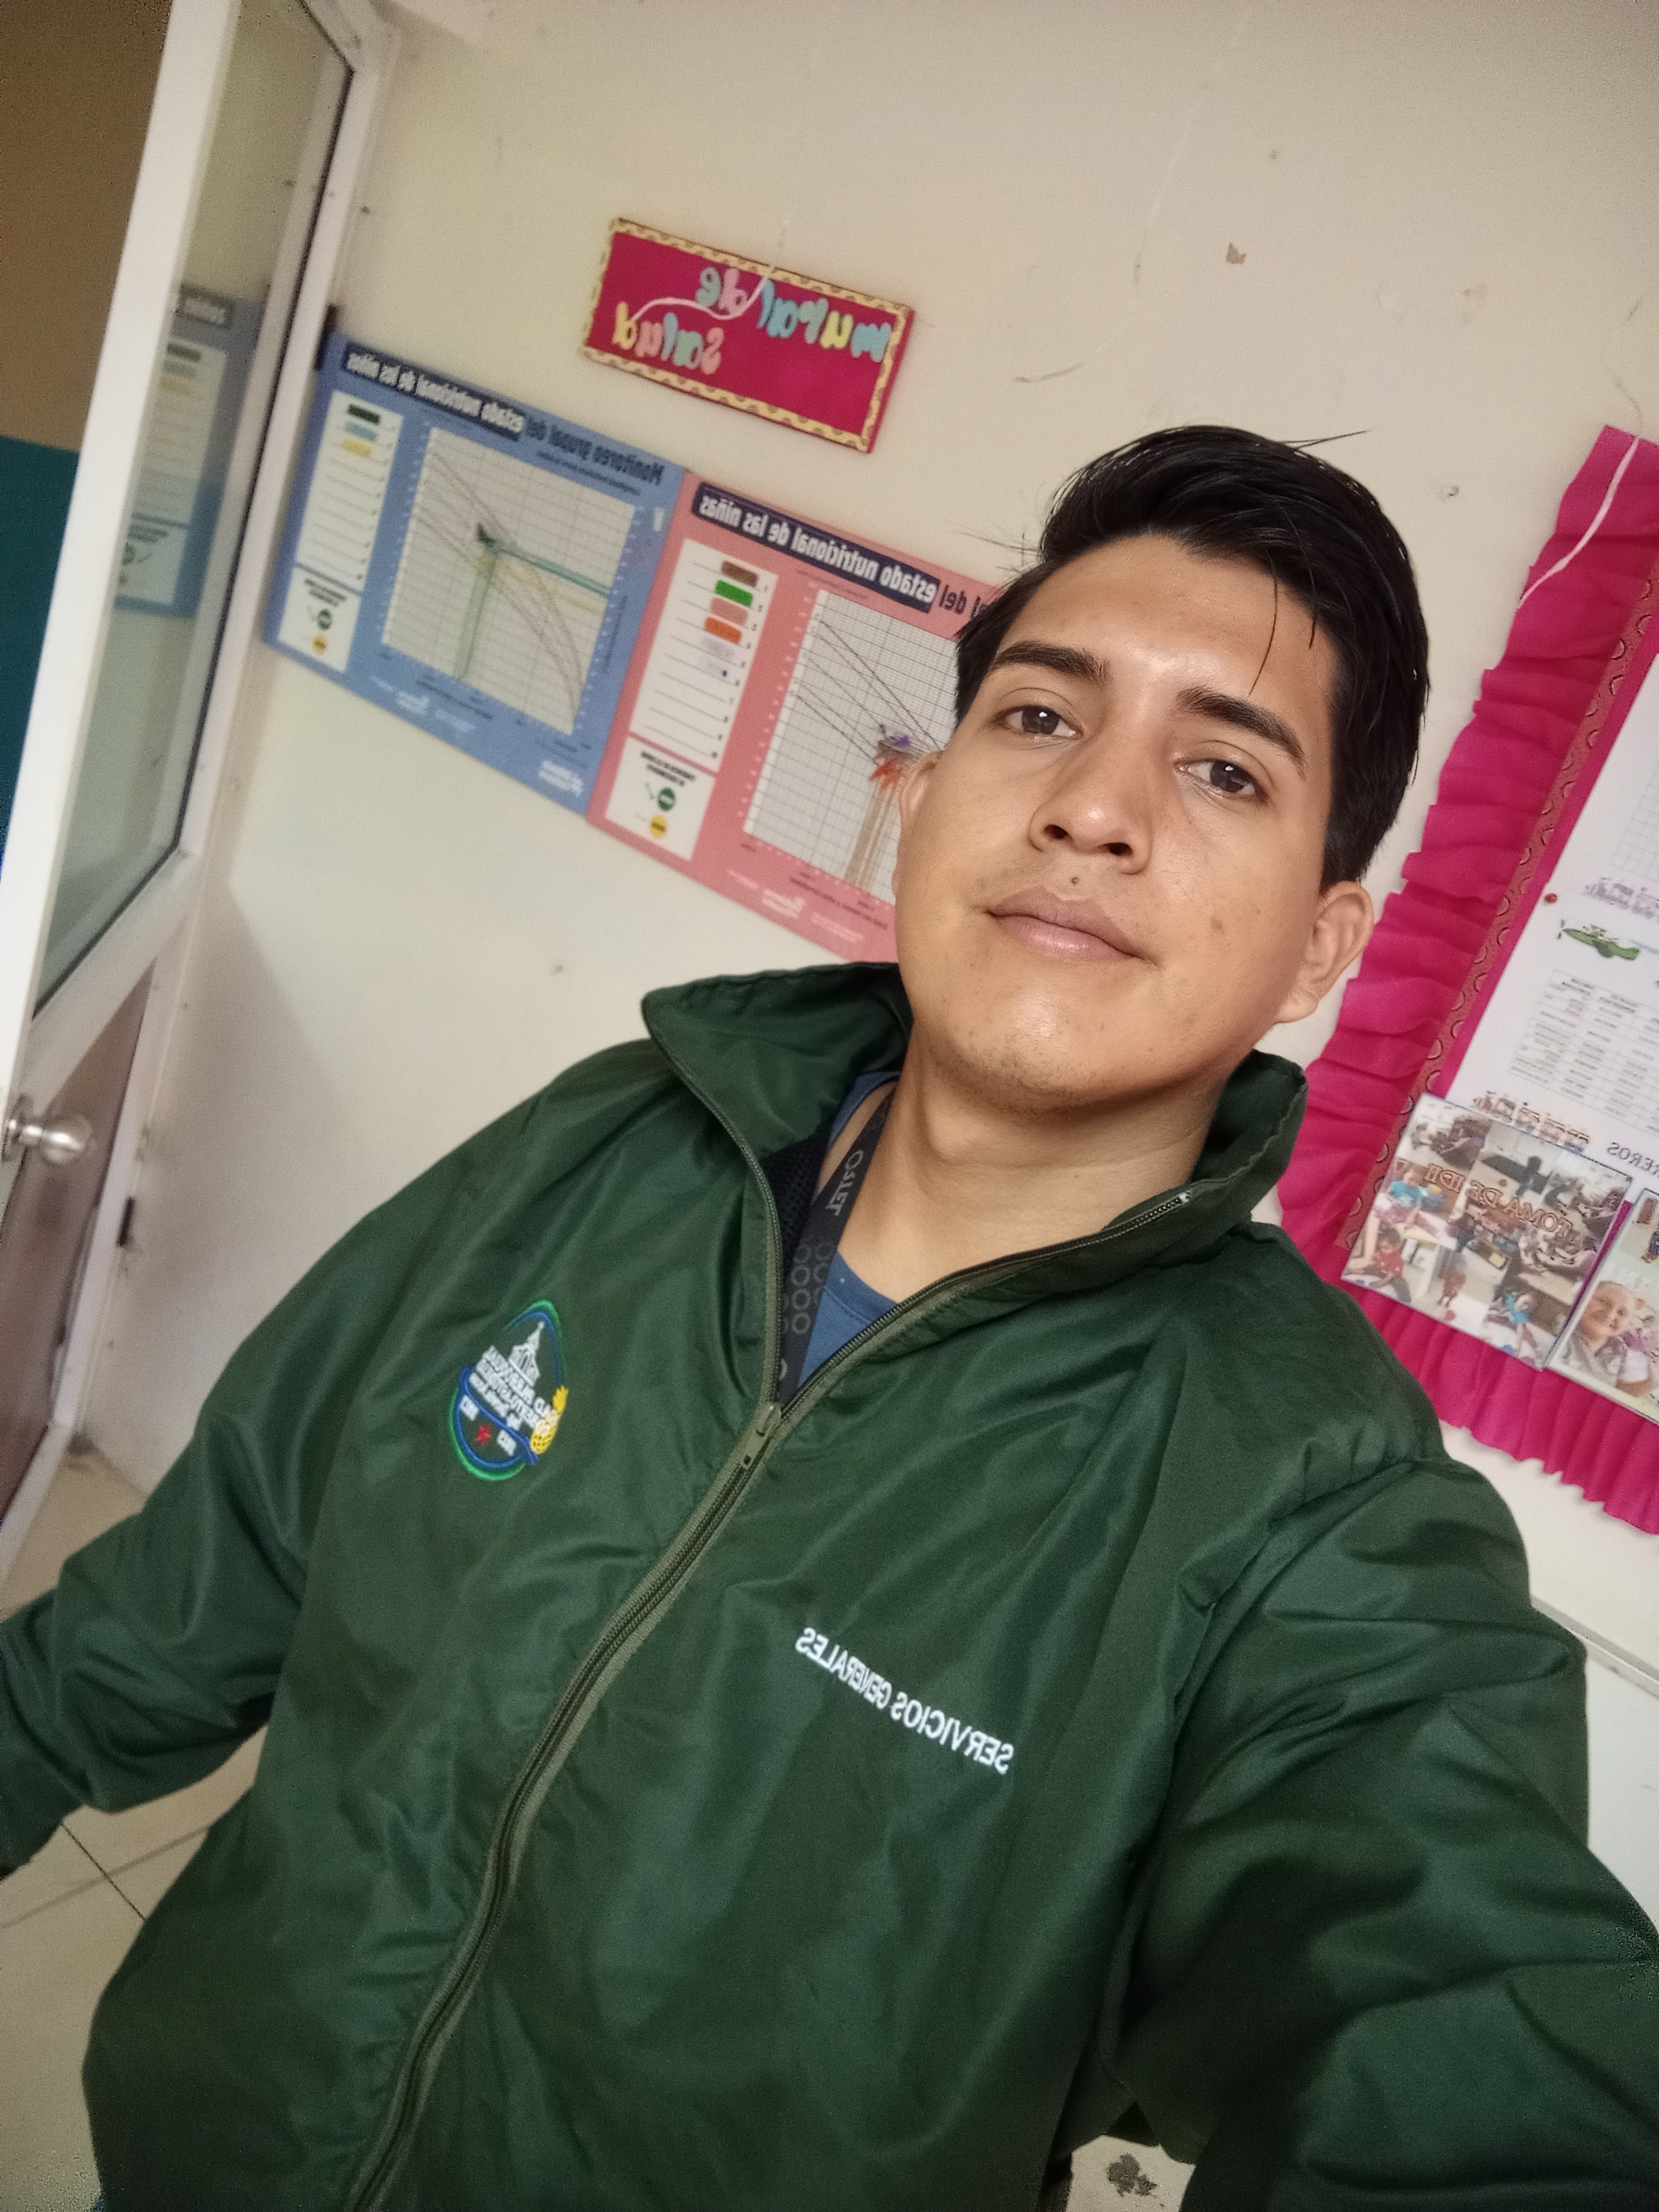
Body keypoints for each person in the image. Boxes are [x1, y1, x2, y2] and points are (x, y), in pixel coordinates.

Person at [3, 428, 1656, 2211]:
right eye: (1041, 714)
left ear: (1323, 947)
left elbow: (1453, 2020)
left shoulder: (1313, 1510)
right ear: (923, 795)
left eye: (1223, 770)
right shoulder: (607, 1147)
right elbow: (191, 1589)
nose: (1094, 807)